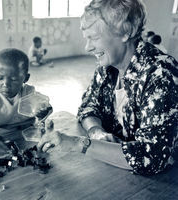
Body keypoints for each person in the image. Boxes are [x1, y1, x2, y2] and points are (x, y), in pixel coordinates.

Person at [38, 0, 178, 175]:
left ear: (126, 32)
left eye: (94, 38)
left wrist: (77, 143)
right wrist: (96, 132)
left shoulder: (160, 74)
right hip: (119, 170)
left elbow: (151, 157)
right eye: (86, 38)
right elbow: (88, 107)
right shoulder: (107, 67)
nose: (87, 47)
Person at [0, 48, 52, 156]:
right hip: (2, 140)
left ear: (25, 78)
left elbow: (43, 106)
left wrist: (43, 111)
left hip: (30, 136)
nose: (5, 84)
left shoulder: (29, 92)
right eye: (0, 78)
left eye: (14, 79)